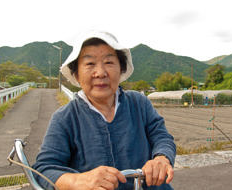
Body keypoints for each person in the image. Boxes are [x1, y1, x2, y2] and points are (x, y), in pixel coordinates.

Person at [32, 30, 176, 190]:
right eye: (89, 64)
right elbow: (44, 169)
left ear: (121, 69)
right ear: (77, 75)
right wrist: (78, 181)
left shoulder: (139, 103)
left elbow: (161, 136)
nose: (100, 73)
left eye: (109, 62)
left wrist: (161, 159)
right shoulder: (65, 118)